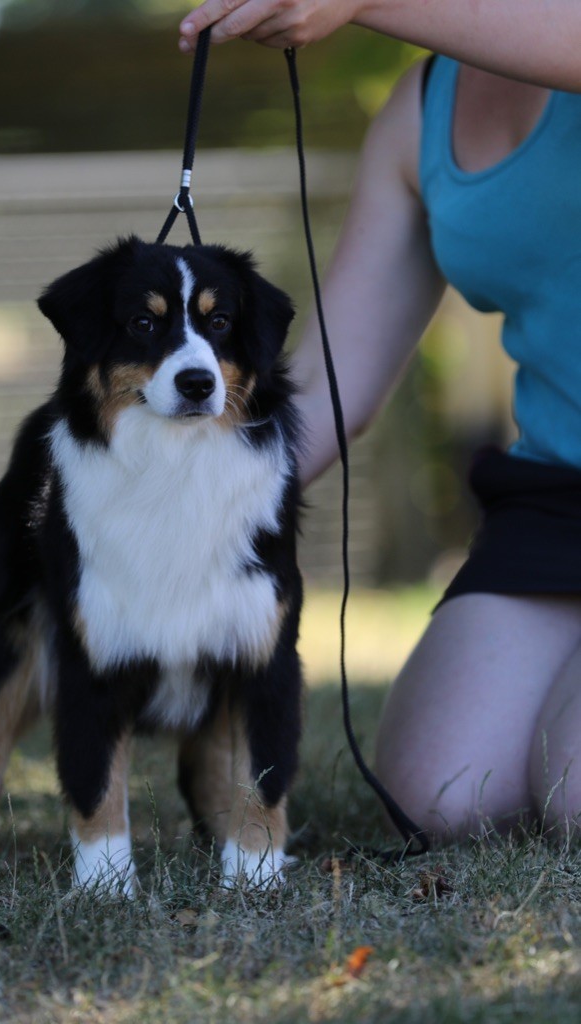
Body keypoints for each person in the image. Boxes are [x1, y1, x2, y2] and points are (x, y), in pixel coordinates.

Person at [179, 1, 581, 842]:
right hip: (558, 494)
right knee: (442, 794)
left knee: (573, 790)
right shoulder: (421, 109)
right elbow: (327, 382)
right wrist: (169, 499)